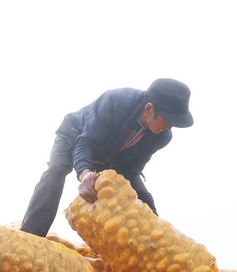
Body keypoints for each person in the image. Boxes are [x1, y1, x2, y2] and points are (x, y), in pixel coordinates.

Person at [20, 78, 194, 237]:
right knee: (57, 169)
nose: (169, 127)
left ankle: (148, 249)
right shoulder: (116, 102)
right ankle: (30, 236)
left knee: (143, 199)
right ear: (149, 108)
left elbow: (131, 169)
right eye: (167, 120)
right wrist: (84, 173)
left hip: (110, 157)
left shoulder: (162, 136)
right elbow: (85, 143)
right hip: (76, 136)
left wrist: (119, 189)